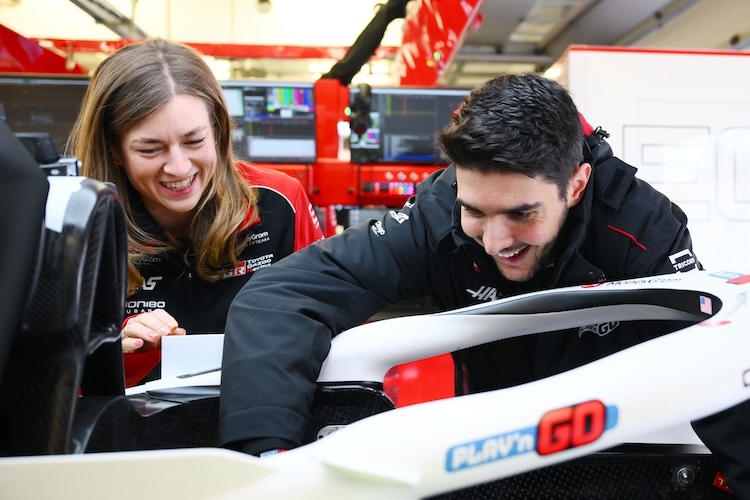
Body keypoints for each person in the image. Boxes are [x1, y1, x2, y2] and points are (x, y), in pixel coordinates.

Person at [218, 73, 749, 493]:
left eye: (521, 214)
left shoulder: (642, 229)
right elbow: (283, 294)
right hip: (488, 460)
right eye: (475, 211)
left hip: (624, 460)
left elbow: (717, 366)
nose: (495, 242)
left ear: (576, 185)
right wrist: (263, 467)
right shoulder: (436, 212)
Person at [68, 38, 324, 387]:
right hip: (136, 431)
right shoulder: (77, 223)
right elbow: (59, 376)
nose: (178, 167)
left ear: (218, 129)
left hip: (264, 417)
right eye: (150, 149)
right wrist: (123, 347)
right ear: (114, 149)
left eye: (194, 141)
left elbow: (331, 321)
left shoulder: (280, 200)